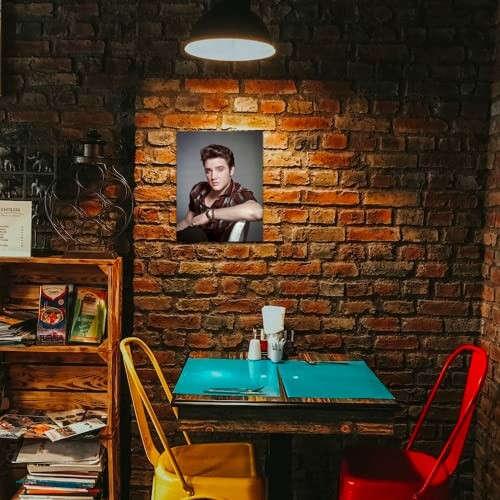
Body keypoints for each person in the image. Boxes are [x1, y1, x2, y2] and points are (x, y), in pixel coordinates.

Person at [177, 144, 263, 242]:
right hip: (186, 245)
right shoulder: (198, 189)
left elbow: (257, 212)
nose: (213, 176)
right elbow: (188, 221)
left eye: (220, 169)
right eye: (208, 171)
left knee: (197, 234)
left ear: (231, 170)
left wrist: (209, 215)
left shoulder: (237, 194)